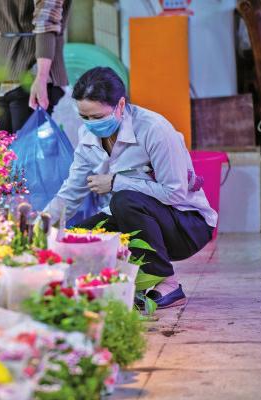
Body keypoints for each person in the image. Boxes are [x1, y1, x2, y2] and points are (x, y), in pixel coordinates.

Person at [44, 67, 216, 309]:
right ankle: (117, 284)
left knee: (123, 200)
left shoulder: (154, 130)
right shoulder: (88, 136)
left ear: (121, 105)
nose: (91, 124)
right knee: (82, 236)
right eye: (85, 117)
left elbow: (175, 193)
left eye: (98, 117)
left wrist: (115, 182)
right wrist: (40, 226)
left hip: (186, 224)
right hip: (137, 217)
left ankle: (168, 282)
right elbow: (72, 191)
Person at [0, 0, 72, 134]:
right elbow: (46, 22)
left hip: (22, 74)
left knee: (2, 147)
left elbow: (45, 21)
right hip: (26, 72)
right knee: (3, 148)